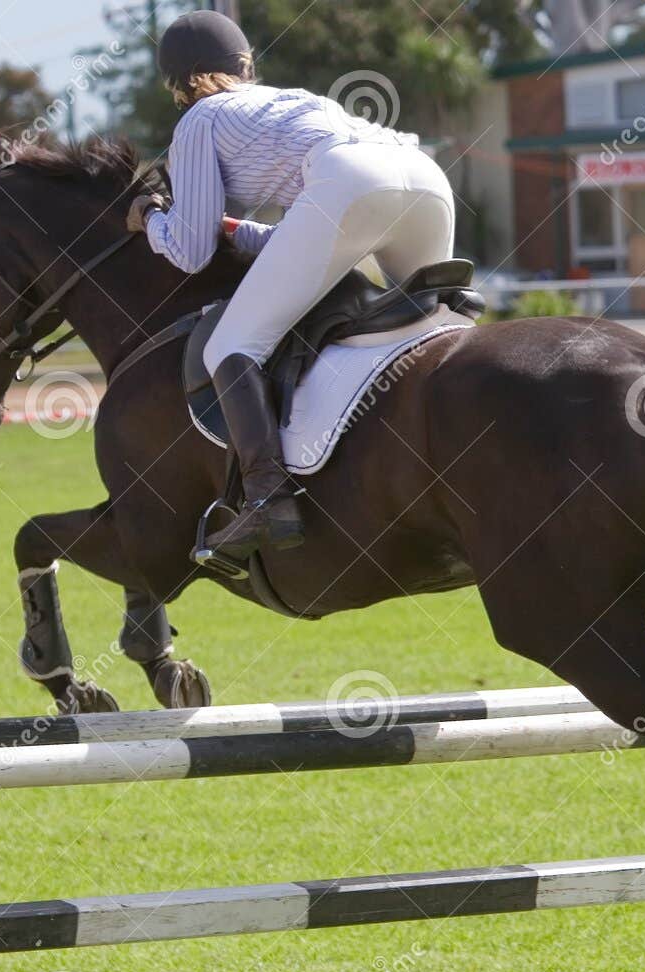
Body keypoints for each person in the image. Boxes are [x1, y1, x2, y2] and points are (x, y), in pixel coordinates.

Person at [129, 10, 457, 564]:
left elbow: (189, 252)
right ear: (246, 66)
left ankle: (268, 500)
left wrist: (149, 219)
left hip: (351, 186)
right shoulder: (293, 101)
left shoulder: (198, 120)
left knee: (227, 347)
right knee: (438, 337)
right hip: (422, 175)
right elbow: (303, 239)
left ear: (177, 84)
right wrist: (233, 228)